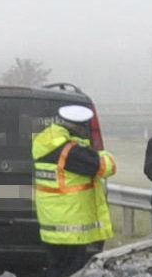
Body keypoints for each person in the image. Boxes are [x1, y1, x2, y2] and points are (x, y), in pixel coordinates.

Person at [29, 101, 112, 260]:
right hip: (71, 228)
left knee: (56, 268)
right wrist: (105, 155)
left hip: (52, 223)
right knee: (71, 273)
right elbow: (104, 167)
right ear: (79, 127)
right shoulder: (70, 152)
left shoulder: (44, 143)